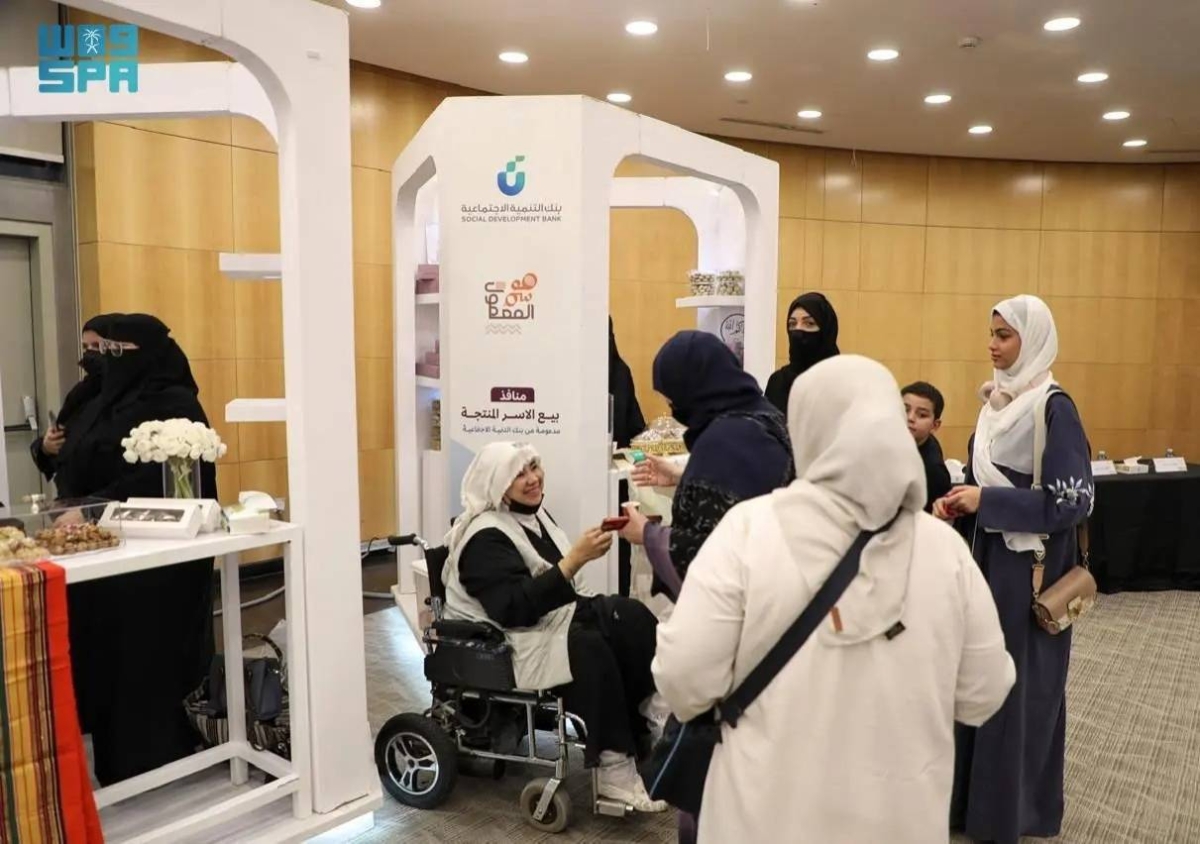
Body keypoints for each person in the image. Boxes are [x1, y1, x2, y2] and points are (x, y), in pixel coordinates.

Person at [652, 355, 1016, 844]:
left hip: (762, 815)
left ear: (803, 429)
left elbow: (684, 679)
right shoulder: (946, 552)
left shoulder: (748, 532)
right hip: (901, 820)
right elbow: (984, 692)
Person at [933, 295, 1093, 844]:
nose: (992, 345)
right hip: (986, 561)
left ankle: (1011, 814)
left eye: (1004, 335)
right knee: (975, 674)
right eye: (991, 333)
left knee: (1019, 688)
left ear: (1034, 340)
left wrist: (988, 501)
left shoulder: (1054, 408)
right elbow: (985, 479)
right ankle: (968, 806)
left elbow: (1073, 501)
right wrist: (960, 503)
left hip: (1029, 572)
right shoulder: (995, 404)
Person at [441, 442, 668, 812]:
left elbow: (555, 589)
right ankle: (613, 769)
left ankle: (651, 724)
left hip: (548, 620)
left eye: (534, 466)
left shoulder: (534, 517)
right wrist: (575, 559)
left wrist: (578, 565)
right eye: (519, 474)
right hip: (506, 641)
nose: (533, 478)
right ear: (498, 486)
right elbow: (513, 609)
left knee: (629, 616)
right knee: (589, 647)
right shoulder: (484, 538)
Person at [54, 314, 216, 785]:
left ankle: (155, 760)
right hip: (111, 554)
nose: (104, 360)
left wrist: (94, 508)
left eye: (114, 351)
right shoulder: (108, 398)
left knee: (147, 661)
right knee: (111, 660)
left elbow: (162, 483)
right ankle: (119, 759)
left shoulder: (177, 404)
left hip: (159, 564)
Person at [619, 331, 794, 597]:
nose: (670, 405)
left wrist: (646, 534)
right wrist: (683, 476)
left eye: (672, 396)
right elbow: (747, 490)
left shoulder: (724, 439)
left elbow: (710, 556)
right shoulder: (763, 415)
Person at [29, 313, 123, 484]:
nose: (90, 353)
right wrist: (47, 446)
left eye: (97, 346)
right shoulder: (82, 391)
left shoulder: (130, 393)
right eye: (86, 347)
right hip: (73, 492)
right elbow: (66, 431)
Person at [609, 317, 645, 597]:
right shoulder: (619, 371)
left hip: (614, 481)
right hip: (595, 479)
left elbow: (635, 430)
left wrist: (641, 456)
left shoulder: (620, 372)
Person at [763, 291, 839, 418]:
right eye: (792, 324)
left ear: (826, 330)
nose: (798, 330)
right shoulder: (778, 382)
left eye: (809, 323)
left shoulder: (843, 382)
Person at [902, 381, 953, 512]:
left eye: (922, 415)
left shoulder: (933, 470)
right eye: (905, 410)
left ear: (935, 425)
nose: (910, 418)